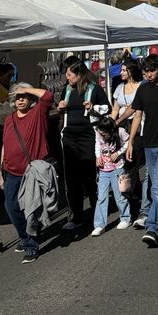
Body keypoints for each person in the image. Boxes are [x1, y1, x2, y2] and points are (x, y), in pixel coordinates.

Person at [0, 82, 53, 263]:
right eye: (17, 97)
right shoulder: (9, 119)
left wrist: (26, 89)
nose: (20, 99)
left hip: (31, 172)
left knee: (32, 209)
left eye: (24, 97)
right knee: (11, 207)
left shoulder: (37, 113)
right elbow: (5, 145)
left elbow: (47, 96)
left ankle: (31, 246)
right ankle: (26, 236)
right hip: (11, 172)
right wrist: (1, 172)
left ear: (30, 99)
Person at [127, 54, 158, 248]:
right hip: (148, 144)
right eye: (145, 70)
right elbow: (137, 115)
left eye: (152, 70)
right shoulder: (142, 89)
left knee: (157, 185)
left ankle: (153, 227)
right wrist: (130, 142)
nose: (148, 74)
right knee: (154, 183)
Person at [58, 59, 111, 232]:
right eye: (66, 74)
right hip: (69, 135)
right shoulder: (66, 90)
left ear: (79, 74)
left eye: (70, 75)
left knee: (89, 175)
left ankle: (97, 212)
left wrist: (93, 107)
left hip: (88, 134)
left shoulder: (93, 89)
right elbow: (60, 108)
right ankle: (77, 216)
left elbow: (107, 108)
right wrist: (60, 106)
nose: (67, 78)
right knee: (72, 177)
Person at [92, 116, 131, 235]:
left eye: (104, 134)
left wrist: (118, 153)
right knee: (101, 197)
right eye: (100, 133)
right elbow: (97, 144)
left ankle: (125, 218)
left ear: (110, 131)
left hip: (117, 168)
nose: (101, 136)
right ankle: (99, 224)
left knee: (120, 195)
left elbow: (129, 141)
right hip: (103, 169)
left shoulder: (120, 132)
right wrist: (98, 156)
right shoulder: (98, 133)